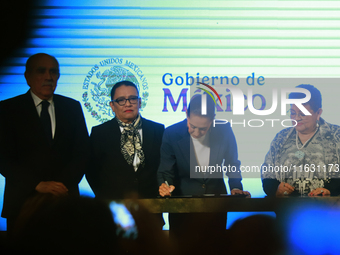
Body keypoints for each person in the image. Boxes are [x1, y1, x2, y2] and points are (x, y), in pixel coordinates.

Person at [0, 53, 90, 233]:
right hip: (23, 203)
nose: (49, 77)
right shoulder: (7, 109)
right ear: (27, 76)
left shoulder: (72, 107)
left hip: (65, 202)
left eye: (53, 72)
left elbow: (83, 153)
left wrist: (60, 186)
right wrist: (37, 184)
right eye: (41, 71)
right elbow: (3, 158)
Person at [157, 94, 250, 252]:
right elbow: (166, 169)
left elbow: (232, 162)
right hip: (182, 207)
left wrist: (235, 186)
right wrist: (165, 186)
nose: (196, 132)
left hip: (215, 205)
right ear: (186, 115)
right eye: (192, 126)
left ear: (213, 119)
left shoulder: (225, 130)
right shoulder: (171, 133)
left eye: (203, 128)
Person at [86, 81, 165, 200]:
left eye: (132, 99)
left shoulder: (158, 130)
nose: (128, 104)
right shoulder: (100, 133)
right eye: (121, 100)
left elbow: (164, 167)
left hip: (151, 207)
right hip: (114, 207)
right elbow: (91, 171)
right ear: (112, 105)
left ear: (139, 102)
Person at [261, 84, 340, 197]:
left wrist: (330, 190)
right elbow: (267, 173)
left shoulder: (336, 135)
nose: (296, 118)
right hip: (287, 210)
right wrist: (276, 189)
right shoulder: (281, 138)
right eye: (293, 113)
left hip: (327, 210)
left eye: (302, 113)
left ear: (318, 113)